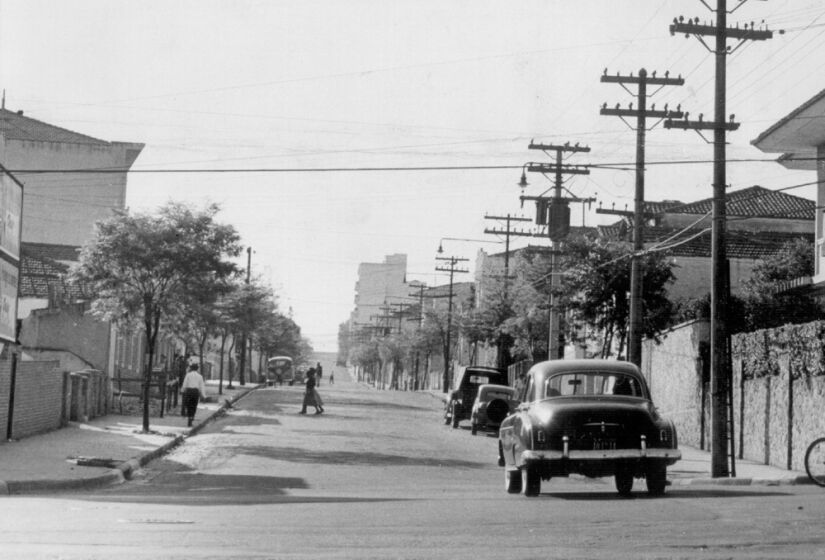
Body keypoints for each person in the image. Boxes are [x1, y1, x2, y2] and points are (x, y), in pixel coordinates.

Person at [181, 362, 206, 427]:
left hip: (189, 391)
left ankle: (189, 417)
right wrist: (203, 395)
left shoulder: (188, 375)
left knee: (189, 405)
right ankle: (192, 417)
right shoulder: (200, 376)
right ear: (197, 369)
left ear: (191, 368)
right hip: (195, 392)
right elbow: (201, 386)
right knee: (194, 405)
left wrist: (182, 390)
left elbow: (185, 383)